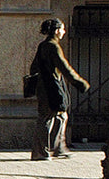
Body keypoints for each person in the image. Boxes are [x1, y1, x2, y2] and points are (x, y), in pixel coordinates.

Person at [29, 18, 89, 160]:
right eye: (62, 29)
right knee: (47, 118)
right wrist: (80, 83)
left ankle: (58, 148)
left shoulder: (43, 45)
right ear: (56, 31)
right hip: (50, 88)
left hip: (46, 87)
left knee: (61, 116)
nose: (64, 32)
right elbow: (65, 67)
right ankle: (41, 152)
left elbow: (33, 67)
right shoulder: (52, 47)